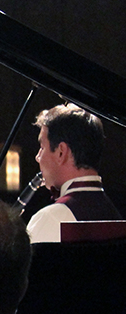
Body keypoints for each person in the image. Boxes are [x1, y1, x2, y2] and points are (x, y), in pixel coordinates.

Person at [27, 103, 122, 243]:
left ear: (61, 152)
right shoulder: (114, 214)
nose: (38, 157)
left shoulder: (50, 218)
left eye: (42, 147)